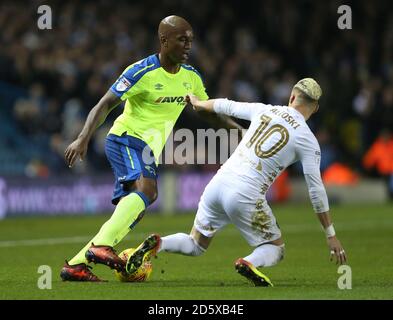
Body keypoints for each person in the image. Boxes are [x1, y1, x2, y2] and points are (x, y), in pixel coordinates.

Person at [60, 15, 242, 282]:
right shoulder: (140, 71)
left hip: (146, 150)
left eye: (190, 40)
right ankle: (101, 248)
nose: (188, 45)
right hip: (125, 139)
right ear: (164, 41)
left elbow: (208, 112)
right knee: (148, 190)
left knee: (136, 206)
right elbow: (105, 104)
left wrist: (239, 132)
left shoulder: (191, 78)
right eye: (182, 40)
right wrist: (83, 137)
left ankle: (76, 265)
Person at [126, 78, 347, 287]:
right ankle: (249, 262)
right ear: (315, 108)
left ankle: (160, 244)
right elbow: (316, 191)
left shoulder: (265, 109)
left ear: (291, 97)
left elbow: (226, 105)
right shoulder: (308, 140)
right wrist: (331, 235)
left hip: (218, 183)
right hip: (246, 193)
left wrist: (198, 102)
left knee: (196, 244)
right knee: (275, 248)